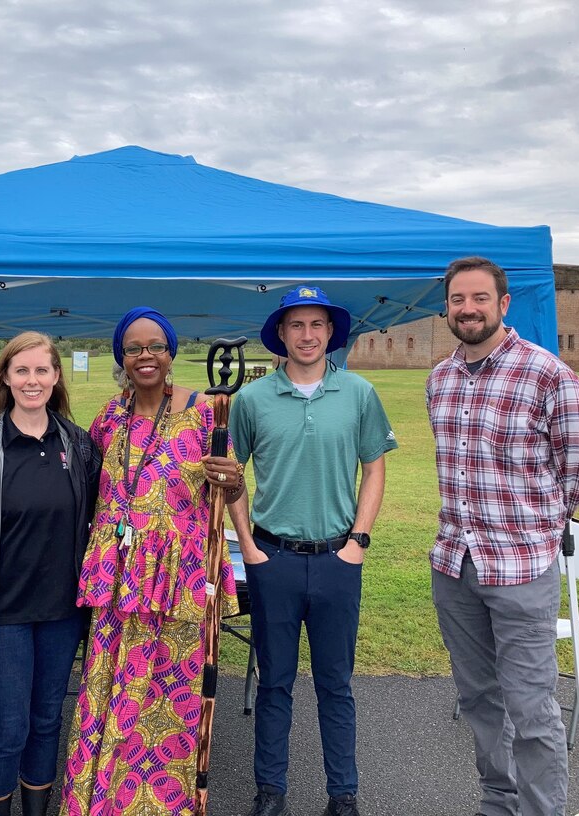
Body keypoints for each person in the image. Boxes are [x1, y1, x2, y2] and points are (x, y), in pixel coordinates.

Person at [427, 256, 579, 816]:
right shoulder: (440, 379)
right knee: (480, 700)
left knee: (531, 708)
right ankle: (499, 801)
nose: (469, 309)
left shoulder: (546, 373)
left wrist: (543, 520)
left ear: (503, 305)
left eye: (480, 298)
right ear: (448, 308)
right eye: (459, 300)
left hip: (522, 568)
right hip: (456, 564)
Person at [60, 307, 246, 816]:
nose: (147, 356)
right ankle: (102, 800)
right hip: (118, 578)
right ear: (122, 356)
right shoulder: (108, 417)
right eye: (135, 347)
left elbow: (230, 491)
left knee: (167, 698)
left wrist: (233, 478)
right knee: (108, 687)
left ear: (171, 353)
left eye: (156, 346)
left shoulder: (207, 411)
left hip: (179, 581)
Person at [228, 285, 398, 816]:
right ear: (280, 333)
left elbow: (374, 466)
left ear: (331, 333)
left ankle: (342, 795)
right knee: (274, 682)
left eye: (316, 325)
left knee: (335, 684)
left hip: (336, 560)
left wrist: (359, 542)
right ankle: (270, 791)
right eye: (296, 325)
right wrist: (248, 545)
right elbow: (230, 478)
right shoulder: (251, 400)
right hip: (271, 560)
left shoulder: (359, 393)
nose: (307, 335)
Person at [0, 331, 102, 816]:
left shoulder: (78, 445)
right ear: (7, 378)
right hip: (2, 615)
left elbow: (102, 520)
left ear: (56, 377)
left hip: (61, 613)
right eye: (22, 371)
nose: (33, 380)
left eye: (42, 370)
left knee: (47, 719)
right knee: (9, 727)